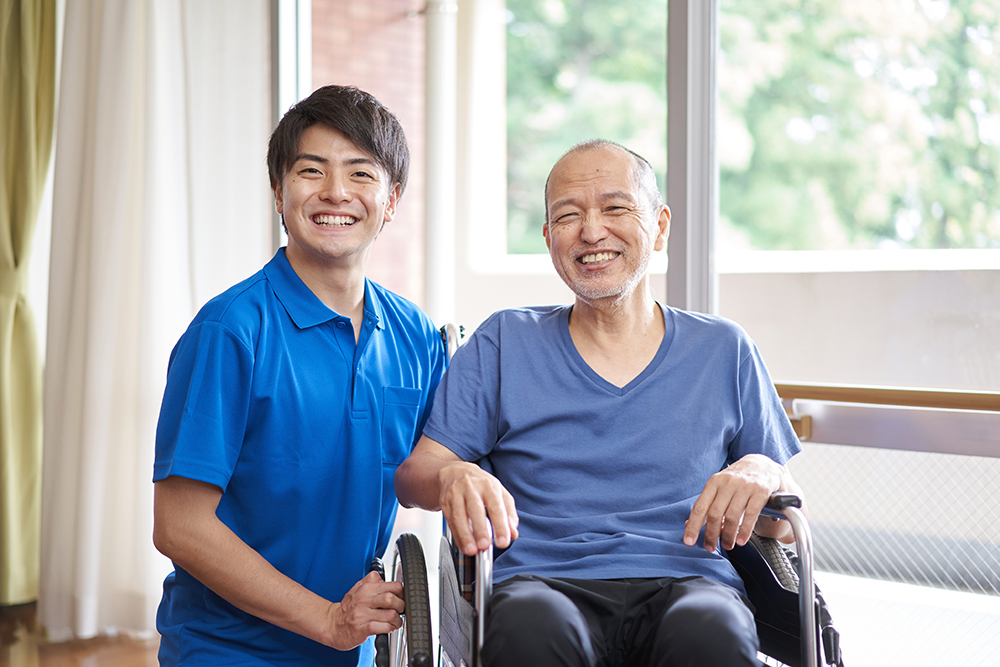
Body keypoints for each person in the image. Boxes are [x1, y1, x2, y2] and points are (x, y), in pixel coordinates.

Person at [395, 139, 805, 667]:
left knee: (712, 631)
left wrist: (765, 470)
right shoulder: (504, 341)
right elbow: (414, 476)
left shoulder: (724, 349)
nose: (592, 232)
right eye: (568, 216)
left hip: (690, 581)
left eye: (615, 208)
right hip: (541, 583)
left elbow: (783, 520)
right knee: (528, 631)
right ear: (549, 239)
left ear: (659, 226)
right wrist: (453, 476)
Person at [152, 85, 447, 666]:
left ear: (391, 200)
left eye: (362, 174)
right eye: (312, 170)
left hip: (351, 650)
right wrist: (327, 620)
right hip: (227, 650)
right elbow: (180, 526)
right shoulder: (231, 329)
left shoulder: (414, 333)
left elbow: (434, 464)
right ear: (279, 193)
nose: (336, 192)